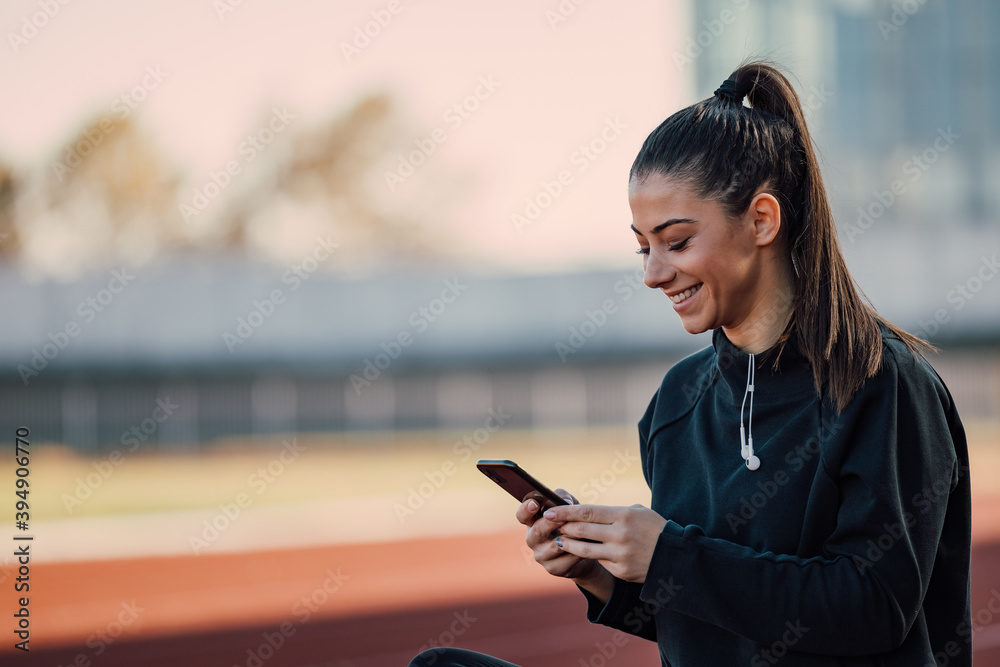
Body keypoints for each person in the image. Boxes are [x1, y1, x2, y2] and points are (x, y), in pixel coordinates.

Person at [408, 61, 971, 666]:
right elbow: (708, 618)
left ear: (761, 220)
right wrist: (603, 573)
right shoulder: (677, 402)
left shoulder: (880, 384)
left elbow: (873, 610)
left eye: (675, 242)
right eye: (643, 246)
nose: (653, 272)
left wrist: (670, 555)